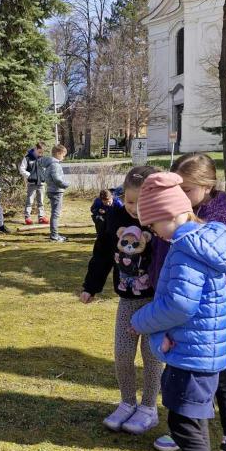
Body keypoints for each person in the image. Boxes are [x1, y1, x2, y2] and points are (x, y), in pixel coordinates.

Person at [130, 172, 226, 451]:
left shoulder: (184, 248)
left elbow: (178, 304)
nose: (153, 232)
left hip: (192, 355)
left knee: (186, 429)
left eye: (153, 224)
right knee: (190, 424)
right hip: (202, 351)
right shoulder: (207, 238)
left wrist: (141, 321)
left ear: (170, 214)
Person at [149, 153, 226, 451]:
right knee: (181, 371)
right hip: (177, 315)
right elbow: (164, 260)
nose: (181, 196)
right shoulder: (175, 212)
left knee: (220, 378)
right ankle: (185, 428)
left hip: (210, 320)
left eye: (186, 190)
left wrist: (215, 303)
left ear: (207, 185)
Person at [80, 165, 162, 434]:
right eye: (129, 201)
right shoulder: (114, 217)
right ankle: (127, 402)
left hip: (156, 303)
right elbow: (102, 253)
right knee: (123, 354)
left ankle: (148, 408)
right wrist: (91, 286)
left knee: (152, 356)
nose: (135, 209)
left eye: (142, 203)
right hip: (127, 300)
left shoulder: (161, 221)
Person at [40, 143, 69, 242]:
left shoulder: (50, 164)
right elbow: (57, 179)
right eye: (63, 155)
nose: (63, 158)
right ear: (58, 153)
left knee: (55, 213)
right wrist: (65, 184)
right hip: (56, 191)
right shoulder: (55, 165)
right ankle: (54, 236)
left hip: (52, 190)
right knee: (56, 214)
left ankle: (55, 234)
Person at [18, 142, 48, 226]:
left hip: (41, 183)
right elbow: (22, 169)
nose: (41, 154)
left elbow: (45, 169)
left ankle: (41, 217)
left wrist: (44, 176)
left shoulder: (42, 158)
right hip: (31, 183)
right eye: (39, 152)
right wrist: (29, 175)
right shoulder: (27, 158)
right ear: (35, 149)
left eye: (42, 152)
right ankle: (27, 217)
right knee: (29, 201)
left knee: (41, 201)